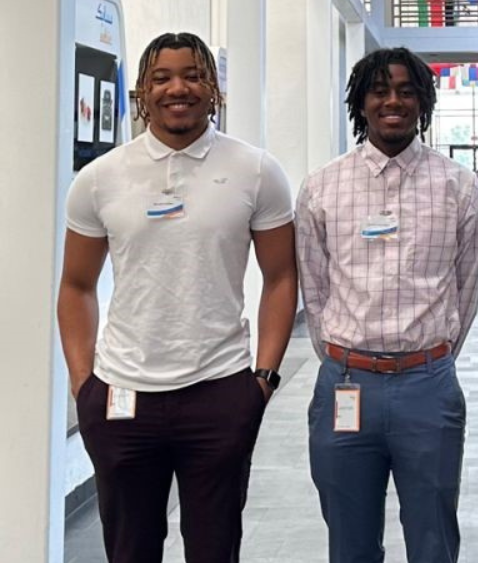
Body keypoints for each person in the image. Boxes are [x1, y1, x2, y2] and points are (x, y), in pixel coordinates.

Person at [57, 32, 297, 562]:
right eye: (162, 77)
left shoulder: (256, 170)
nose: (178, 88)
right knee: (130, 550)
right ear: (142, 91)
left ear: (213, 87)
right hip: (122, 398)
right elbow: (75, 286)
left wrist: (262, 379)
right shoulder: (99, 179)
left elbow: (281, 278)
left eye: (192, 74)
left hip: (219, 391)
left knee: (215, 550)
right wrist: (84, 387)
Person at [296, 47, 478, 563]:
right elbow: (314, 291)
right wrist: (346, 359)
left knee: (433, 539)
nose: (393, 102)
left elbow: (466, 289)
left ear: (423, 102)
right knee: (349, 540)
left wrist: (429, 359)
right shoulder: (321, 187)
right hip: (345, 383)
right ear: (360, 102)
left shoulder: (459, 188)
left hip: (428, 385)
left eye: (406, 91)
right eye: (380, 91)